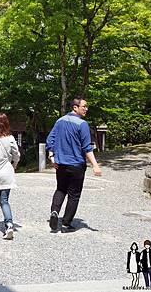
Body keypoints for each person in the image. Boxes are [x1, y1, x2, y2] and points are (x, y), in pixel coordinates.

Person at [46, 97, 102, 233]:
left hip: (61, 164)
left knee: (60, 189)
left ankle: (54, 212)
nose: (86, 109)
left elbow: (50, 140)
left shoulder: (59, 121)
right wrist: (95, 165)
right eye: (84, 106)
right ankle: (66, 223)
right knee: (74, 195)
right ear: (75, 107)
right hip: (76, 164)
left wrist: (52, 156)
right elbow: (87, 147)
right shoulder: (82, 124)